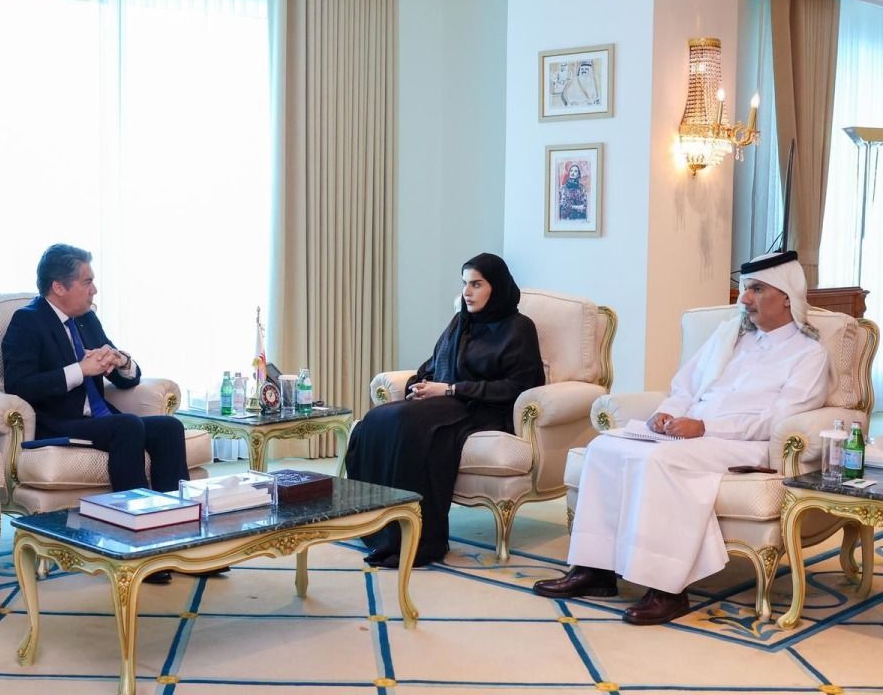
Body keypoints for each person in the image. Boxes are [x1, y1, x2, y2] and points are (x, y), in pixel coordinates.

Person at [533, 251, 830, 625]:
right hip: (692, 432)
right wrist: (669, 413)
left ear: (786, 296)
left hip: (743, 444)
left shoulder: (809, 353)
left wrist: (705, 427)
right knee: (604, 445)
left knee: (660, 461)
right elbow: (685, 387)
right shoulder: (729, 336)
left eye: (756, 289)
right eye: (745, 288)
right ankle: (595, 571)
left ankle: (667, 589)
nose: (744, 299)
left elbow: (779, 420)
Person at [2, 245, 192, 584]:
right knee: (127, 426)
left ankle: (181, 539)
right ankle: (137, 547)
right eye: (87, 282)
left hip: (102, 419)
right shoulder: (27, 321)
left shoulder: (87, 318)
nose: (95, 290)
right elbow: (20, 385)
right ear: (59, 287)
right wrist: (80, 370)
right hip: (58, 423)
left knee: (168, 427)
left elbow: (126, 379)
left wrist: (121, 360)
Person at [345, 253, 545, 568]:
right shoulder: (460, 322)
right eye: (465, 283)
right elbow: (433, 364)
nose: (467, 292)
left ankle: (417, 538)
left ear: (497, 287)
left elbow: (519, 386)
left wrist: (452, 389)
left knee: (407, 424)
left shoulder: (519, 328)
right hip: (446, 403)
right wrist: (420, 385)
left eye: (476, 284)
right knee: (376, 419)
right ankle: (378, 527)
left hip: (484, 408)